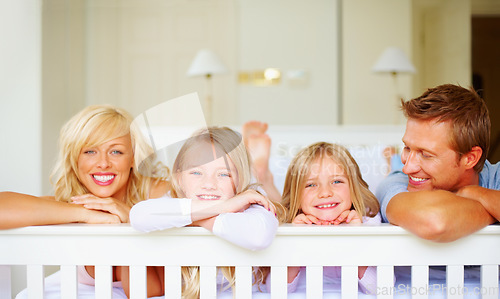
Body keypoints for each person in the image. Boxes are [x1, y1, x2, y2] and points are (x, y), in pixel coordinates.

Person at [8, 105, 170, 298]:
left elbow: (148, 292)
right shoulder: (73, 203)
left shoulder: (157, 194)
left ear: (133, 158)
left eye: (116, 152)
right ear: (75, 159)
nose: (103, 163)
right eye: (90, 152)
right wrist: (85, 214)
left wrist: (132, 220)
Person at [130, 126, 280, 297]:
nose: (209, 184)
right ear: (180, 179)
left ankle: (262, 175)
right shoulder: (174, 202)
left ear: (241, 180)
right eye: (196, 172)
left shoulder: (253, 202)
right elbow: (138, 216)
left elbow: (258, 237)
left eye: (223, 174)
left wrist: (196, 218)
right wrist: (223, 208)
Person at [376, 83, 499, 242]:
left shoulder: (496, 177)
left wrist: (474, 193)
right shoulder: (395, 183)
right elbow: (435, 221)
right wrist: (491, 207)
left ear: (470, 158)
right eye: (407, 148)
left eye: (426, 155)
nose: (407, 168)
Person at [267, 142, 381, 294]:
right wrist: (296, 240)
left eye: (336, 181)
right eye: (311, 185)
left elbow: (380, 289)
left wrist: (354, 237)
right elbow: (274, 290)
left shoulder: (368, 221)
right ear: (296, 197)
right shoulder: (288, 227)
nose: (325, 192)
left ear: (354, 188)